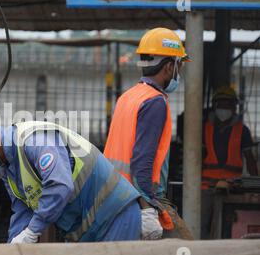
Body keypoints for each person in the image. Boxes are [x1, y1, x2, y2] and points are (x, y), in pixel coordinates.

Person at [0, 109, 167, 243]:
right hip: (88, 228)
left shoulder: (32, 140)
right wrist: (13, 248)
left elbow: (60, 186)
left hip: (114, 214)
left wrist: (32, 231)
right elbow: (23, 210)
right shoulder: (8, 168)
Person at [103, 27, 192, 239]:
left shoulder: (128, 96)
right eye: (179, 66)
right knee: (187, 248)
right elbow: (142, 158)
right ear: (169, 67)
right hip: (141, 198)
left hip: (115, 193)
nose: (179, 73)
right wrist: (148, 209)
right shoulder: (154, 102)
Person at [201, 86, 257, 238]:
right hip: (206, 186)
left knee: (227, 224)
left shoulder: (242, 130)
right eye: (221, 105)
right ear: (215, 106)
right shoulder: (203, 128)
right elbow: (196, 157)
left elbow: (250, 160)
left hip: (232, 188)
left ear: (234, 107)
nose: (224, 109)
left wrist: (255, 186)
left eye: (228, 105)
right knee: (201, 224)